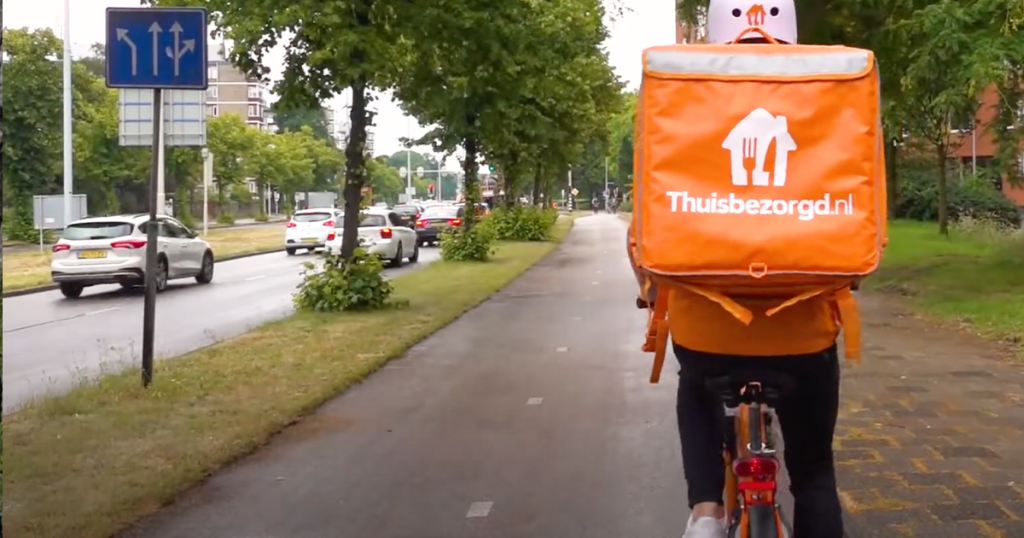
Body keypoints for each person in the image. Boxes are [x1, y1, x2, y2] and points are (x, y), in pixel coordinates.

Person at [631, 2, 845, 538]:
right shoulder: (823, 97)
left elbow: (645, 233)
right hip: (804, 338)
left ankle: (706, 512)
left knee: (694, 386)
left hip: (707, 337)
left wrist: (651, 290)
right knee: (814, 471)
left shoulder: (689, 98)